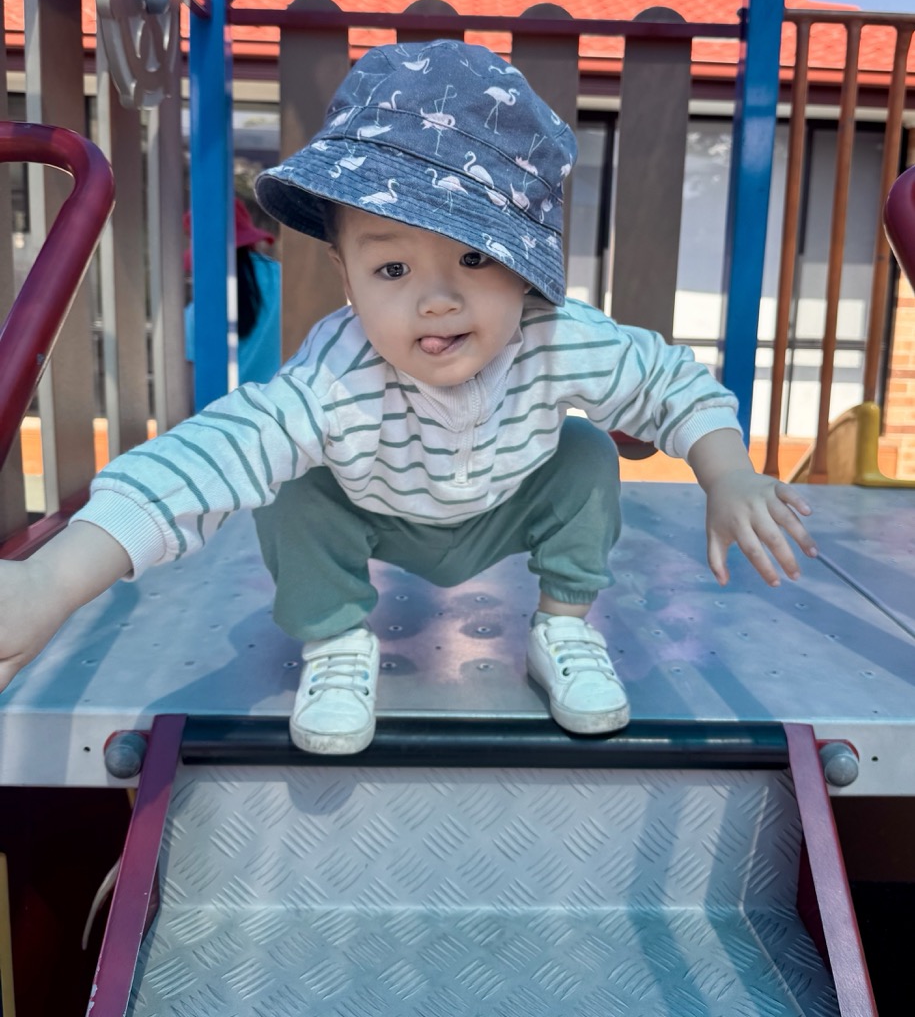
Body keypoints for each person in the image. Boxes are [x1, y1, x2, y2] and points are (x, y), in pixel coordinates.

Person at [0, 40, 816, 753]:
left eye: (473, 259)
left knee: (586, 453)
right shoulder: (334, 378)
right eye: (392, 268)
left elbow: (667, 379)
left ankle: (564, 627)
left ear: (527, 265)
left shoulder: (557, 336)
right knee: (292, 480)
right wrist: (52, 583)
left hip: (508, 504)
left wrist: (727, 473)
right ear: (346, 276)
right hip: (374, 511)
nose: (435, 299)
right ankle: (336, 643)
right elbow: (204, 460)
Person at [184, 197, 281, 389]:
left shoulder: (200, 304)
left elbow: (192, 379)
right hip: (283, 406)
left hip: (223, 411)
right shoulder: (280, 276)